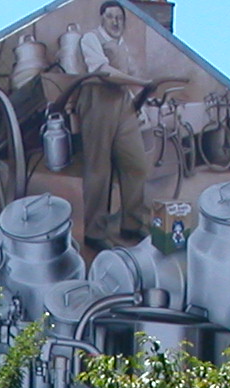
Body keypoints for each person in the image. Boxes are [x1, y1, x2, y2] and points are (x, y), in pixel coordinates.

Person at [77, 1, 154, 249]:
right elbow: (103, 71)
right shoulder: (90, 39)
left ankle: (132, 223)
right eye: (110, 17)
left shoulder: (123, 46)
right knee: (99, 170)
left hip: (122, 104)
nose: (115, 22)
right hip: (97, 101)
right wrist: (140, 81)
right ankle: (94, 232)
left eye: (119, 18)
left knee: (136, 164)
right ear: (102, 19)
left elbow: (125, 80)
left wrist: (138, 103)